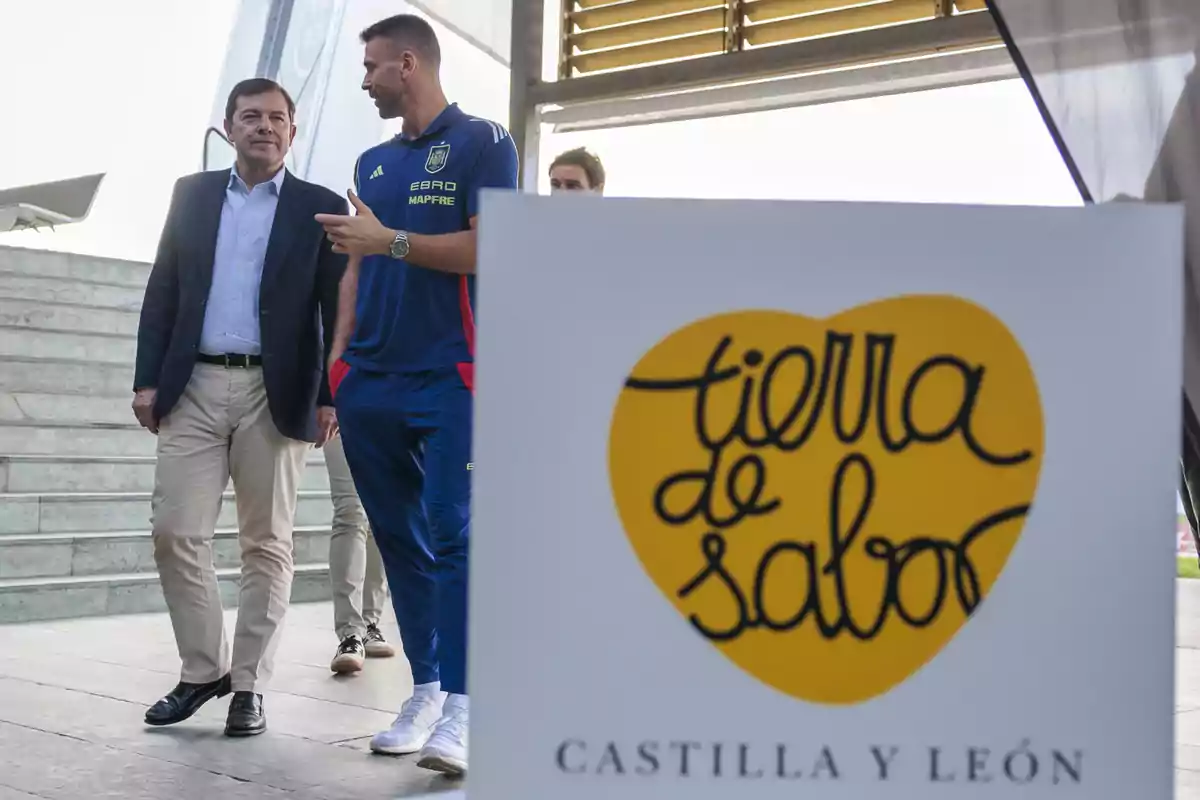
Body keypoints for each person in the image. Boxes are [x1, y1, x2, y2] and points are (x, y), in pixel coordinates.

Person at [314, 13, 518, 777]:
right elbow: (355, 271)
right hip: (370, 379)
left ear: (408, 63)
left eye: (371, 67)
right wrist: (338, 365)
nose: (363, 81)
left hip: (453, 372)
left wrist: (390, 240)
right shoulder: (369, 164)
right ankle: (426, 691)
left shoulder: (483, 142)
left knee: (452, 532)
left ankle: (466, 705)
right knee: (397, 538)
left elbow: (493, 244)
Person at [134, 77, 346, 737]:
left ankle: (249, 684)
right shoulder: (192, 196)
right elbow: (163, 285)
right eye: (250, 116)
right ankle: (203, 670)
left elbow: (336, 307)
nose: (264, 126)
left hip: (275, 391)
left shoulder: (320, 206)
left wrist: (330, 393)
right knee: (175, 530)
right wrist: (147, 379)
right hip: (191, 384)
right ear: (229, 127)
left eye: (276, 117)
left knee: (267, 544)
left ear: (292, 130)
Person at [325, 432, 395, 673]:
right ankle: (350, 633)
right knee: (350, 512)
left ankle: (369, 623)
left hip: (392, 409)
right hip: (342, 406)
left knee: (380, 513)